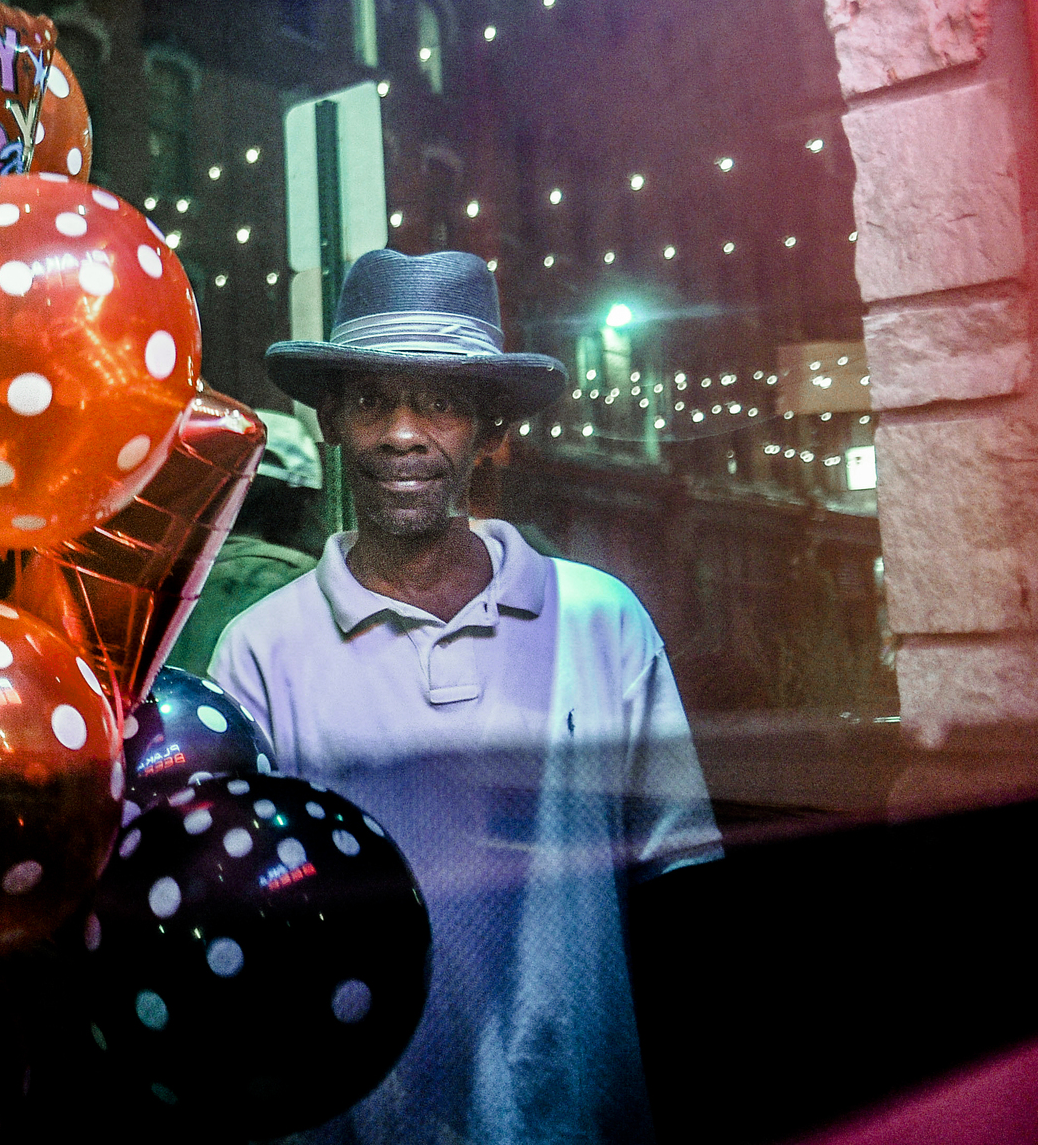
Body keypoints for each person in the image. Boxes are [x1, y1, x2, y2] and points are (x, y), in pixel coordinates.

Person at [209, 249, 720, 1145]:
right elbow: (244, 943)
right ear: (331, 418)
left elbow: (681, 904)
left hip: (583, 1119)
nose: (403, 434)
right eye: (372, 400)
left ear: (490, 429)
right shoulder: (260, 650)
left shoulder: (600, 623)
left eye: (440, 401)